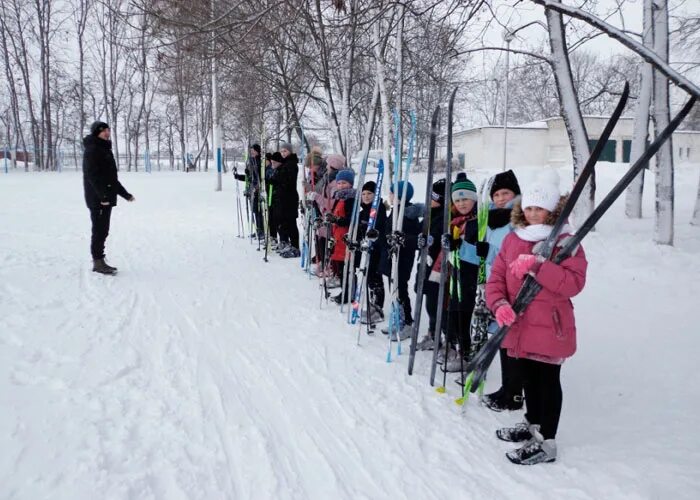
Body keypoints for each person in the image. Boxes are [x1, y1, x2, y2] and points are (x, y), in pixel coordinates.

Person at [486, 171, 587, 465]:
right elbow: (496, 279)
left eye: (539, 208)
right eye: (528, 208)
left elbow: (573, 284)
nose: (533, 214)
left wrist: (539, 266)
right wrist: (499, 304)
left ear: (552, 210)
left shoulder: (567, 242)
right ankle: (532, 424)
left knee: (547, 381)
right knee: (528, 378)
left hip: (550, 325)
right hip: (519, 324)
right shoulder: (513, 238)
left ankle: (547, 442)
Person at [477, 170, 526, 411]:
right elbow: (481, 254)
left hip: (513, 285)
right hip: (493, 284)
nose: (499, 198)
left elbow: (514, 255)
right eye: (496, 194)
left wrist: (488, 253)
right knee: (500, 339)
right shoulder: (490, 219)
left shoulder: (519, 220)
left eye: (505, 193)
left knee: (510, 338)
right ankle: (507, 388)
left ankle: (514, 393)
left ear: (515, 194)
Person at [433, 173, 480, 373]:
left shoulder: (478, 221)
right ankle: (453, 346)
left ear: (474, 199)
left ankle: (466, 353)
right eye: (457, 200)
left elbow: (478, 250)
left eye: (465, 199)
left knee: (465, 315)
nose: (461, 203)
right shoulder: (454, 220)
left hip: (470, 276)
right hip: (454, 274)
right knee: (452, 312)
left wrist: (458, 244)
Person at [82, 121, 134, 275]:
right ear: (96, 133)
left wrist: (125, 194)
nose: (106, 132)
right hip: (98, 199)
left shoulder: (104, 149)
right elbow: (93, 176)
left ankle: (100, 259)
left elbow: (111, 178)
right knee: (99, 230)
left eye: (108, 130)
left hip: (105, 197)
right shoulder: (92, 150)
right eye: (103, 130)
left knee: (103, 230)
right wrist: (103, 196)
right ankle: (97, 262)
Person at [380, 180, 423, 340]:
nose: (389, 196)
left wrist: (401, 240)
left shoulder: (407, 214)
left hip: (402, 259)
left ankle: (407, 323)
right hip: (392, 257)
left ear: (400, 196)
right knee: (394, 289)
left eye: (392, 193)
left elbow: (413, 239)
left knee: (400, 289)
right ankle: (397, 318)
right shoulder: (395, 211)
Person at [416, 179, 447, 350]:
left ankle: (438, 335)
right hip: (426, 264)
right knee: (430, 302)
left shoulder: (444, 217)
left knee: (436, 303)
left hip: (438, 266)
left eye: (433, 197)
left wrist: (432, 241)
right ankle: (432, 333)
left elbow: (440, 239)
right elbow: (420, 231)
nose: (430, 200)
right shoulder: (431, 214)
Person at [357, 180, 387, 324]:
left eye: (369, 193)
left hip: (377, 250)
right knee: (369, 278)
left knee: (375, 279)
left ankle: (378, 308)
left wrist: (376, 235)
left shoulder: (379, 210)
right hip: (366, 250)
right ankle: (373, 304)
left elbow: (382, 230)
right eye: (363, 194)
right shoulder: (363, 211)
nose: (366, 196)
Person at [272, 143, 300, 258]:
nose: (283, 153)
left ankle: (295, 246)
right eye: (282, 151)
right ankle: (286, 242)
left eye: (285, 151)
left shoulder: (291, 164)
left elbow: (287, 181)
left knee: (291, 223)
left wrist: (277, 178)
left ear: (290, 151)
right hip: (283, 197)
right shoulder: (285, 164)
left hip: (289, 198)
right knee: (284, 222)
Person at [234, 144, 264, 238]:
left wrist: (255, 173)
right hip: (251, 189)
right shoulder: (251, 161)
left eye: (254, 151)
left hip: (258, 189)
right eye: (251, 151)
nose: (252, 152)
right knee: (254, 211)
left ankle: (261, 230)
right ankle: (258, 230)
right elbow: (249, 178)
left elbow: (259, 177)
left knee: (258, 211)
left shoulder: (259, 161)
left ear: (258, 151)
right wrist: (239, 176)